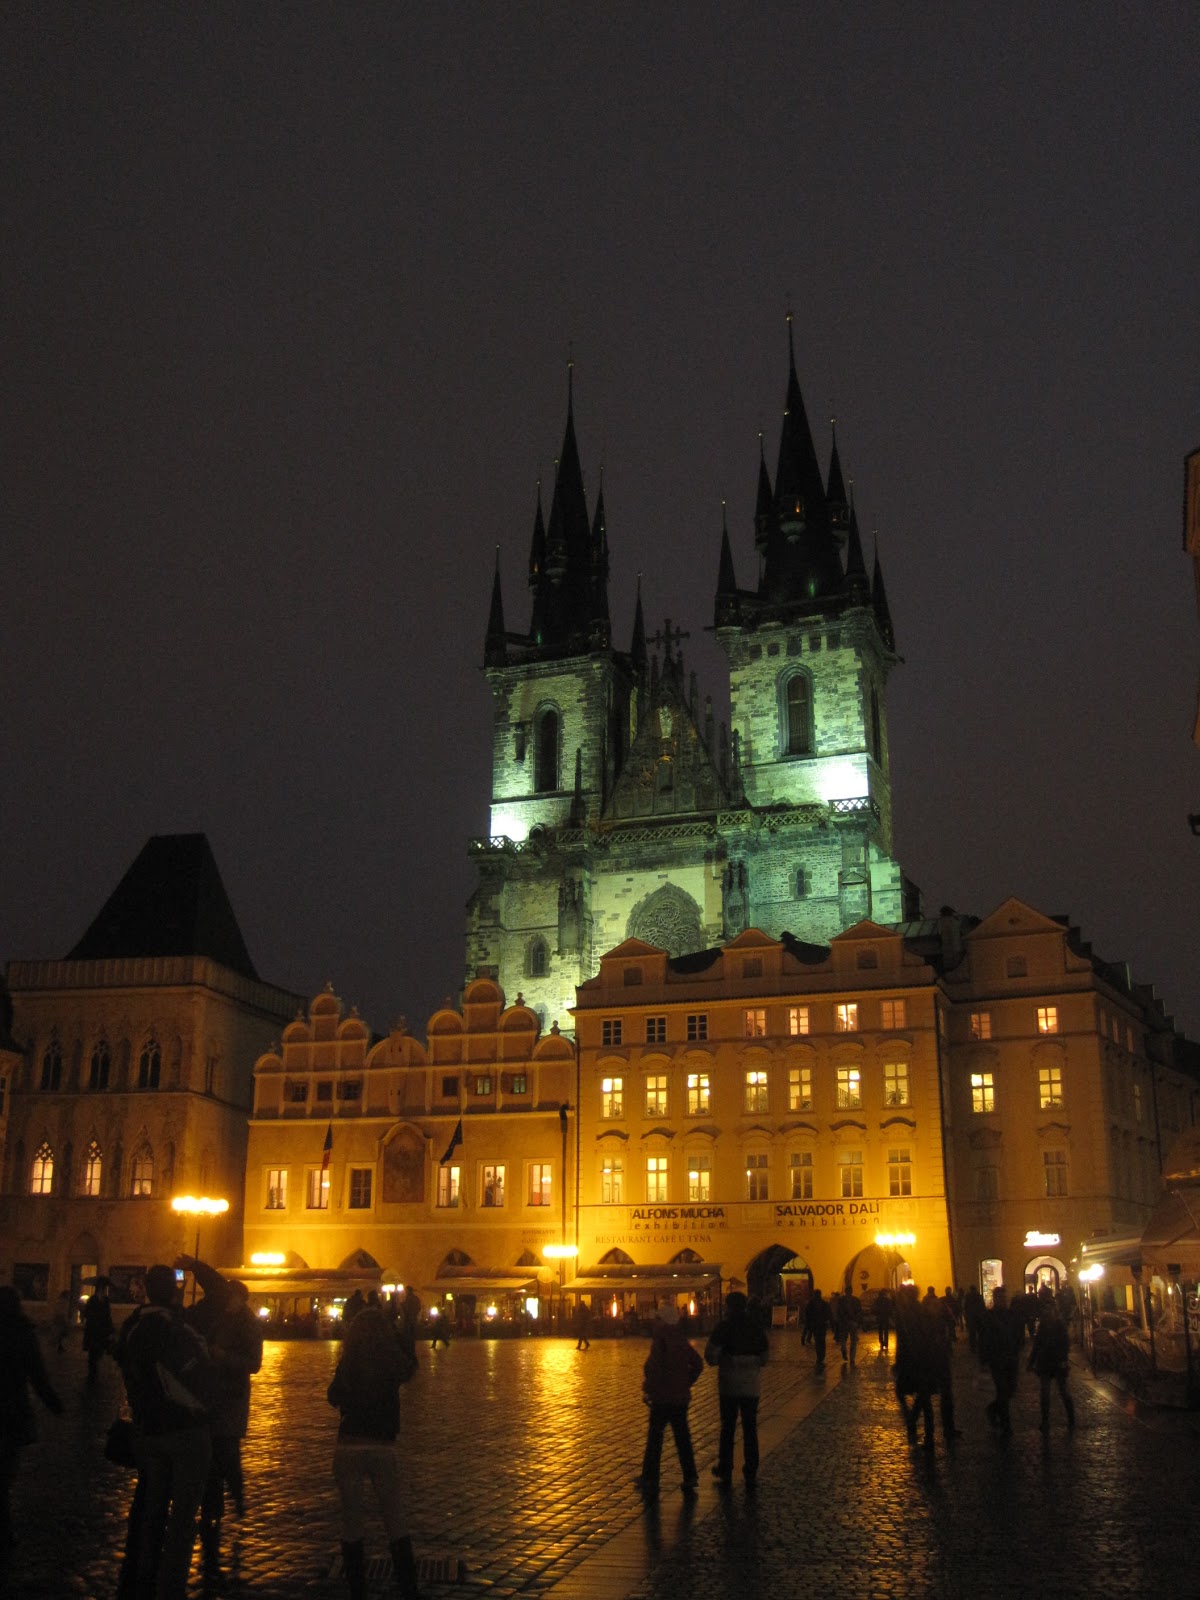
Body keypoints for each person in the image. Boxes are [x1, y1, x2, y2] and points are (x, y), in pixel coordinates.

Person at [115, 1264, 214, 1600]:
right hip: (185, 1430)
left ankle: (143, 1578)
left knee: (152, 1511)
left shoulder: (133, 1327)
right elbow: (219, 1297)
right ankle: (170, 1587)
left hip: (149, 1431)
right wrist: (196, 1267)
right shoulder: (180, 1327)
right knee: (183, 1518)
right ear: (173, 1291)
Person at [327, 1306, 424, 1600]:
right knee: (395, 1520)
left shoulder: (349, 1361)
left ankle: (358, 1590)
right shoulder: (390, 1362)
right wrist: (404, 1332)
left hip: (349, 1444)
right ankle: (409, 1590)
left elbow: (332, 1396)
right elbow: (410, 1367)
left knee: (351, 1523)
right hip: (382, 1445)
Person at [178, 1260, 263, 1567]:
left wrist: (222, 1356)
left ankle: (236, 1496)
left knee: (227, 1452)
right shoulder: (220, 1319)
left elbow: (253, 1364)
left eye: (231, 1299)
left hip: (232, 1396)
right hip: (211, 1394)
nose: (227, 1304)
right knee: (213, 1455)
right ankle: (213, 1510)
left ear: (240, 1299)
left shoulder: (249, 1324)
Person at [0, 1286, 64, 1580]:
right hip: (11, 1414)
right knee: (4, 1475)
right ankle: (5, 1530)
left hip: (9, 1414)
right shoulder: (22, 1334)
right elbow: (37, 1374)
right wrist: (53, 1403)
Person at [633, 1303, 702, 1499]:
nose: (654, 1322)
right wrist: (685, 1382)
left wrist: (649, 1389)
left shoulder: (661, 1339)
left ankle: (650, 1478)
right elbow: (697, 1364)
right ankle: (690, 1475)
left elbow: (653, 1368)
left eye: (657, 1319)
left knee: (655, 1438)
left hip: (662, 1397)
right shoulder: (680, 1339)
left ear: (662, 1321)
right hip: (680, 1397)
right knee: (683, 1438)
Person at [705, 1291, 769, 1487]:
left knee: (728, 1427)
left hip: (729, 1385)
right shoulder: (755, 1328)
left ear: (729, 1307)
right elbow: (764, 1358)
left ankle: (725, 1467)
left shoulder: (724, 1327)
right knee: (750, 1427)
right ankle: (751, 1468)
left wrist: (724, 1359)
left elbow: (710, 1356)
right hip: (751, 1386)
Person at [979, 1286, 1020, 1439]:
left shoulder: (1011, 1315)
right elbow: (984, 1339)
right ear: (995, 1299)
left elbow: (1017, 1334)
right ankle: (1006, 1425)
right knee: (1002, 1391)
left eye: (1004, 1298)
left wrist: (1017, 1348)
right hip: (996, 1359)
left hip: (1011, 1358)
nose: (1003, 1300)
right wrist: (984, 1359)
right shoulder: (989, 1316)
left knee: (1010, 1391)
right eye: (1000, 1298)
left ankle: (992, 1409)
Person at [1028, 1300, 1075, 1431]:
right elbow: (1037, 1345)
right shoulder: (1044, 1326)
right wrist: (1031, 1361)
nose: (1047, 1312)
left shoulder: (1059, 1325)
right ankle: (1046, 1421)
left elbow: (1065, 1344)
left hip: (1056, 1363)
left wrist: (1063, 1359)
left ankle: (1071, 1419)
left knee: (1063, 1392)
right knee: (1046, 1393)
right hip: (1046, 1363)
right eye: (1046, 1310)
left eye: (1050, 1309)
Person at [82, 1277, 115, 1384]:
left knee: (100, 1350)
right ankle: (92, 1372)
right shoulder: (92, 1299)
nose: (104, 1290)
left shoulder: (106, 1300)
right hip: (93, 1329)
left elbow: (108, 1315)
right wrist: (93, 1316)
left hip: (102, 1329)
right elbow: (87, 1312)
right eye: (102, 1288)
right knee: (93, 1351)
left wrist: (110, 1329)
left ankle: (94, 1369)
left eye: (104, 1288)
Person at [803, 1288, 830, 1374]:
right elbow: (828, 1314)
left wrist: (808, 1324)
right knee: (821, 1341)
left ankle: (820, 1357)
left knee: (818, 1341)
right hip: (821, 1325)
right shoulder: (823, 1303)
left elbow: (807, 1314)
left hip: (816, 1325)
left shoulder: (811, 1304)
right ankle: (821, 1356)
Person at [835, 1284, 863, 1366]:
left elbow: (838, 1311)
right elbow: (859, 1311)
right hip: (853, 1322)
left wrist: (838, 1320)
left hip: (843, 1322)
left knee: (843, 1338)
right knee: (853, 1341)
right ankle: (852, 1358)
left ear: (845, 1291)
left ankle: (843, 1348)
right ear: (851, 1291)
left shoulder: (841, 1300)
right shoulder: (856, 1300)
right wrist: (858, 1321)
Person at [873, 1287, 894, 1355]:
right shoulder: (887, 1300)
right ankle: (886, 1343)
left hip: (880, 1317)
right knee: (886, 1331)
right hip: (885, 1317)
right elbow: (890, 1309)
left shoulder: (877, 1300)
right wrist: (890, 1315)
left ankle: (881, 1343)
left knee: (880, 1331)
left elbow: (874, 1308)